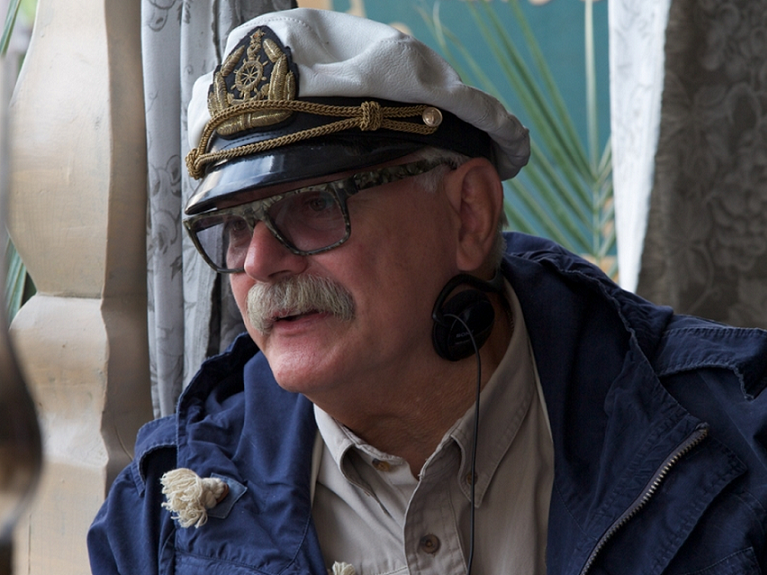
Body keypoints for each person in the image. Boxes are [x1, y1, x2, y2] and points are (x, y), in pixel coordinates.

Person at [88, 8, 767, 575]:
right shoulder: (157, 520)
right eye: (234, 226)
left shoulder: (737, 432)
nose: (259, 261)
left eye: (316, 204)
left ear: (468, 214)